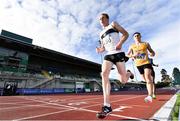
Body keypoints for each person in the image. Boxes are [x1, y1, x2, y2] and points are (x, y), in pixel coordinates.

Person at [96, 13, 134, 118]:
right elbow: (103, 47)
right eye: (99, 19)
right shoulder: (100, 33)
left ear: (107, 19)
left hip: (118, 53)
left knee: (123, 80)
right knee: (104, 74)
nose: (101, 20)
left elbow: (126, 34)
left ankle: (129, 73)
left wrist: (120, 43)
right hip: (108, 55)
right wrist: (100, 50)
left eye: (103, 18)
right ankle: (107, 106)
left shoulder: (113, 24)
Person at [127, 32, 155, 103]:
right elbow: (127, 55)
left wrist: (152, 53)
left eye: (138, 36)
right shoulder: (131, 46)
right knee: (146, 80)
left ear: (140, 36)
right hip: (138, 65)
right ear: (133, 38)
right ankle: (151, 92)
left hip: (146, 63)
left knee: (148, 77)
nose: (136, 37)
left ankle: (150, 96)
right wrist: (133, 55)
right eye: (135, 36)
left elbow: (152, 52)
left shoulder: (146, 44)